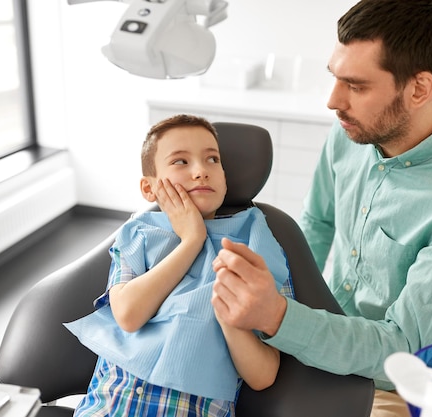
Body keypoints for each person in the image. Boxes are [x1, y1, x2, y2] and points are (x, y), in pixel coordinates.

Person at [210, 1, 432, 416]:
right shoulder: (352, 132)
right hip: (308, 337)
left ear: (419, 89)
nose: (333, 101)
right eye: (335, 78)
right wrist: (279, 304)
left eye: (356, 86)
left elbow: (405, 348)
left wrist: (280, 317)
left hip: (395, 382)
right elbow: (317, 225)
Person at [65, 114, 294, 417]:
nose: (201, 171)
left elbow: (263, 374)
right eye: (181, 162)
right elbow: (128, 315)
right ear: (150, 188)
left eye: (212, 159)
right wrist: (191, 241)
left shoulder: (260, 246)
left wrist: (227, 316)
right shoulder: (138, 233)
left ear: (225, 178)